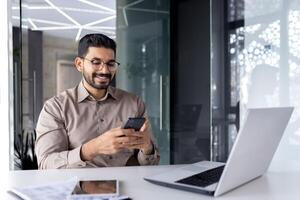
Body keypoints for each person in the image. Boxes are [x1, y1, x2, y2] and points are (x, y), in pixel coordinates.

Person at [35, 33, 160, 169]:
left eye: (110, 63)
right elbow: (46, 165)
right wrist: (93, 148)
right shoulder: (55, 108)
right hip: (79, 187)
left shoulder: (134, 103)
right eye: (96, 62)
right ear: (79, 64)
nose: (105, 70)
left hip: (128, 186)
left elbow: (151, 164)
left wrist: (147, 148)